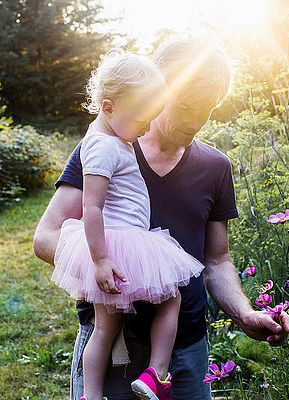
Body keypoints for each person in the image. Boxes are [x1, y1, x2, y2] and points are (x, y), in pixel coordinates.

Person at [34, 36, 289, 400]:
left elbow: (216, 260)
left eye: (209, 109)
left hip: (186, 352)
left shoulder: (216, 168)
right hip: (112, 348)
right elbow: (46, 237)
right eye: (188, 106)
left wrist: (245, 314)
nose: (198, 121)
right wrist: (114, 267)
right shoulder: (104, 150)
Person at [51, 50, 205, 400]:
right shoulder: (104, 147)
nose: (147, 128)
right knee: (172, 299)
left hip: (120, 244)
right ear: (108, 108)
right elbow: (92, 207)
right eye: (141, 120)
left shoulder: (108, 139)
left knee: (105, 329)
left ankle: (91, 394)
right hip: (123, 244)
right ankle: (156, 373)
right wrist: (101, 260)